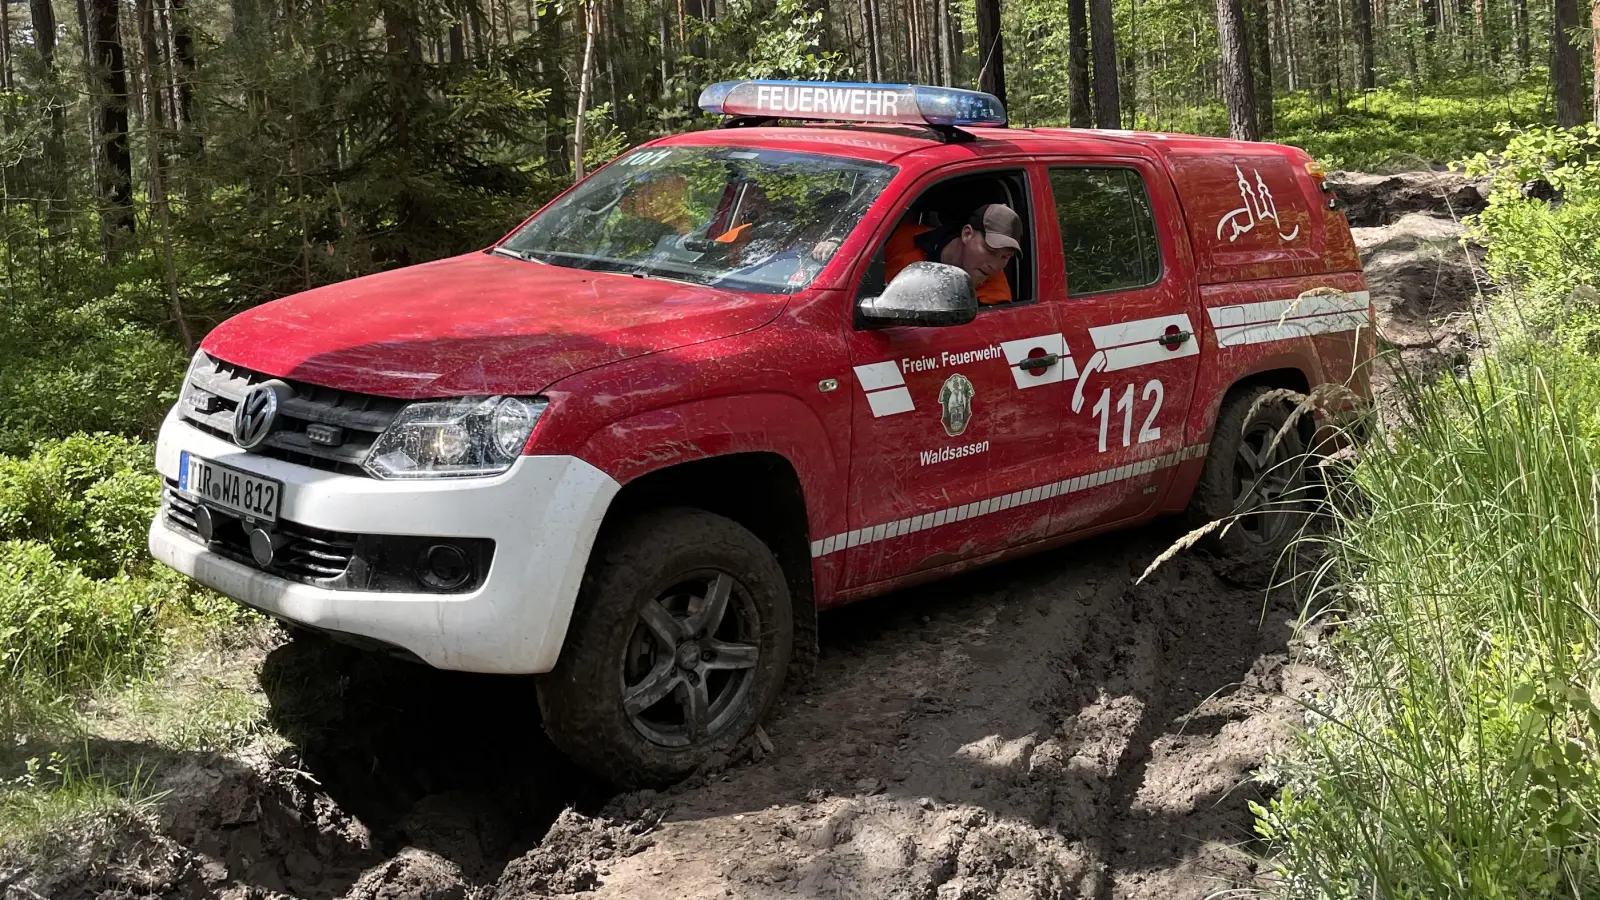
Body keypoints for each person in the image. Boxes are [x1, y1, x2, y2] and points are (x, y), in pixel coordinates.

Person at [883, 203, 1024, 305]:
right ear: (967, 234)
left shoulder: (995, 298)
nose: (994, 266)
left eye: (1005, 257)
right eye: (990, 251)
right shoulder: (900, 238)